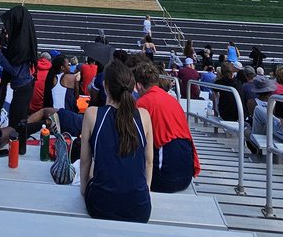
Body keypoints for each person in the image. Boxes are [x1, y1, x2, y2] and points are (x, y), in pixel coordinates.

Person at [81, 59, 153, 222]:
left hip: (101, 206)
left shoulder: (92, 114)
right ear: (133, 86)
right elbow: (148, 163)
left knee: (95, 167)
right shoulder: (144, 116)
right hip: (139, 208)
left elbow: (85, 161)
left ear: (106, 87)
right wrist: (145, 193)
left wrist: (84, 191)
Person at [134, 60, 199, 193]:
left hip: (167, 178)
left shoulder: (142, 103)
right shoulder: (171, 99)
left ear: (139, 85)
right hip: (187, 173)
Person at [0, 5, 37, 137]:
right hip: (24, 87)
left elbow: (14, 70)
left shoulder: (21, 44)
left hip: (22, 88)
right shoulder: (21, 39)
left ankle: (18, 149)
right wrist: (2, 50)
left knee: (15, 125)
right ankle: (18, 149)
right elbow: (15, 59)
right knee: (18, 122)